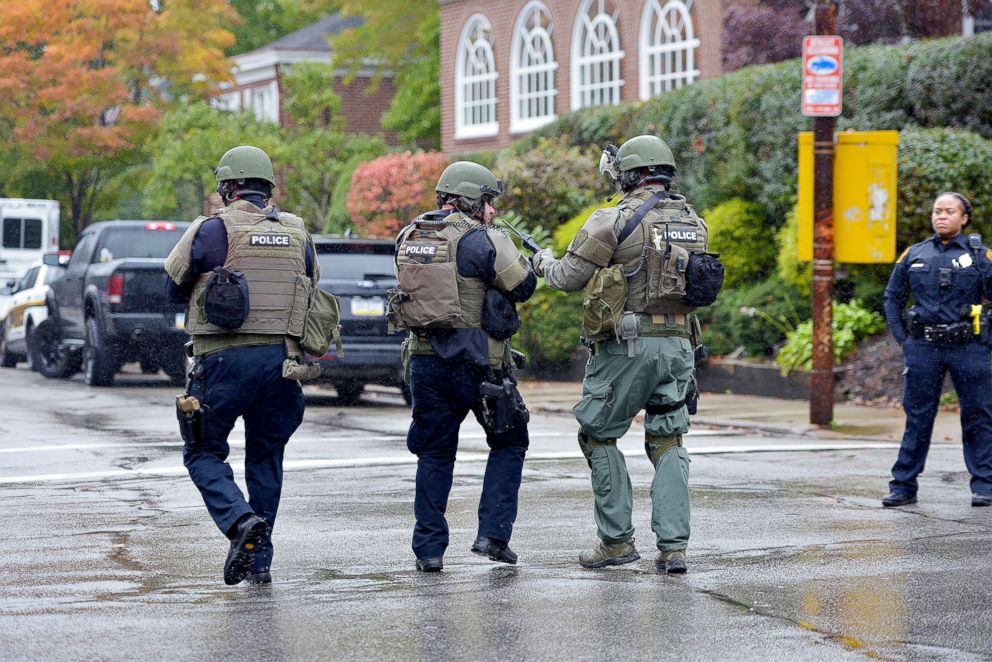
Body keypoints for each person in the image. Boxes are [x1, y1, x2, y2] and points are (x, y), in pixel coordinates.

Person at [532, 135, 723, 574]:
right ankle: (674, 548)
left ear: (631, 175)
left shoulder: (612, 220)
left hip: (627, 346)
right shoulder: (694, 221)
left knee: (597, 434)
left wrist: (541, 261)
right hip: (679, 346)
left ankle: (616, 542)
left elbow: (566, 277)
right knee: (669, 439)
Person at [165, 145, 319, 584]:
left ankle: (239, 522)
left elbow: (173, 287)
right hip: (282, 364)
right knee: (266, 457)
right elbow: (311, 286)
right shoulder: (297, 232)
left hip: (222, 362)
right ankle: (259, 562)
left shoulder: (211, 229)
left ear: (229, 187)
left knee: (202, 451)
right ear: (267, 187)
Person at [390, 161, 537, 572]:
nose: (492, 211)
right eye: (488, 202)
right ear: (472, 201)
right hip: (480, 365)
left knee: (434, 454)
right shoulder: (482, 240)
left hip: (424, 364)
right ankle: (493, 535)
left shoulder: (409, 236)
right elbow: (523, 285)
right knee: (510, 442)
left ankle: (429, 551)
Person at [881, 192, 992, 508]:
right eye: (937, 211)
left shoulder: (981, 256)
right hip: (924, 346)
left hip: (968, 346)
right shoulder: (915, 254)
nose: (941, 216)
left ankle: (984, 485)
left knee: (978, 415)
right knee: (918, 417)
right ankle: (903, 486)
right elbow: (892, 297)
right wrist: (903, 338)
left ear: (964, 217)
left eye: (949, 211)